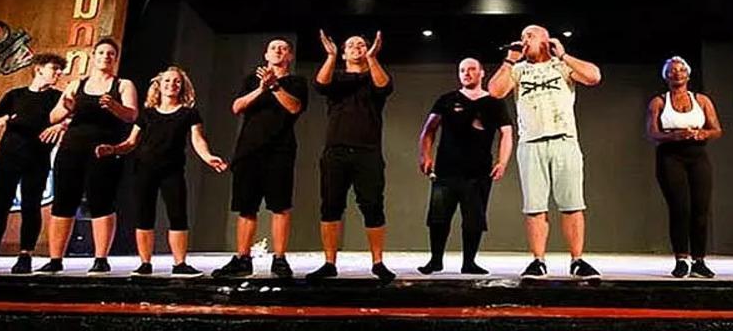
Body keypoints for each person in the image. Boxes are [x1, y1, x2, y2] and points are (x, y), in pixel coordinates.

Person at [488, 24, 603, 279]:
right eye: (522, 36)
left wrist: (563, 54)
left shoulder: (561, 66)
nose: (524, 40)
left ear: (545, 40)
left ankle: (577, 260)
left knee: (572, 204)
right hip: (531, 143)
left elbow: (594, 76)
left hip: (564, 140)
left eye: (530, 35)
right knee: (535, 206)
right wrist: (509, 60)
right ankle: (538, 261)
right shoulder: (518, 70)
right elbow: (495, 92)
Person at [95, 66, 227, 276]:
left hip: (172, 171)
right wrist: (113, 149)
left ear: (182, 87)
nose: (171, 85)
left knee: (178, 215)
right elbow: (131, 142)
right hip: (144, 169)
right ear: (159, 85)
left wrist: (208, 157)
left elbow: (198, 139)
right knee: (144, 216)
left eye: (176, 81)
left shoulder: (188, 113)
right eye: (167, 81)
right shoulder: (147, 114)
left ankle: (180, 264)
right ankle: (145, 264)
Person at [37, 37, 138, 275]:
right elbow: (53, 117)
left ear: (115, 59)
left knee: (101, 202)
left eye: (110, 54)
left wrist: (115, 107)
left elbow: (132, 116)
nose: (105, 57)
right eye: (101, 52)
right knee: (63, 202)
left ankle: (101, 259)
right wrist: (67, 107)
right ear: (94, 56)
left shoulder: (123, 85)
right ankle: (55, 259)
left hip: (102, 151)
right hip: (71, 149)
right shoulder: (77, 84)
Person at [213, 38, 308, 280]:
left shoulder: (296, 82)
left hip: (280, 151)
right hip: (249, 151)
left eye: (283, 48)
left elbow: (294, 107)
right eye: (273, 48)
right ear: (266, 55)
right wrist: (261, 88)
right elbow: (237, 107)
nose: (278, 51)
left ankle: (280, 259)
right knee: (246, 207)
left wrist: (275, 86)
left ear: (290, 56)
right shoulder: (251, 80)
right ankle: (243, 259)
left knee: (280, 206)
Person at [0, 54, 70, 275]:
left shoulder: (57, 97)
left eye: (60, 69)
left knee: (31, 207)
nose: (58, 73)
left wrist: (61, 125)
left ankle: (25, 256)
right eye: (54, 68)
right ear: (38, 69)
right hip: (8, 158)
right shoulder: (15, 95)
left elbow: (71, 116)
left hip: (37, 159)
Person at [306, 31, 396, 282]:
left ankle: (378, 262)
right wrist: (331, 56)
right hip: (336, 151)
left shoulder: (374, 76)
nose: (356, 47)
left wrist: (372, 58)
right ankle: (329, 263)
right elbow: (320, 85)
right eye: (351, 45)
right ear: (344, 53)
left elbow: (384, 87)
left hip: (368, 151)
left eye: (361, 44)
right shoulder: (336, 77)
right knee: (331, 205)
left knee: (373, 205)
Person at [417, 57, 514, 275]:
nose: (466, 73)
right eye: (462, 70)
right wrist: (425, 155)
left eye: (471, 69)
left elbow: (507, 133)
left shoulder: (494, 102)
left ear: (482, 73)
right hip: (446, 170)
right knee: (438, 217)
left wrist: (503, 161)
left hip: (478, 172)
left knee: (474, 219)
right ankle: (435, 260)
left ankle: (469, 262)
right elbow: (429, 129)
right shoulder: (447, 100)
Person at [645, 56, 721, 279]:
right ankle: (681, 259)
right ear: (666, 76)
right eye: (672, 70)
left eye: (681, 70)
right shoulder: (659, 102)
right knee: (680, 208)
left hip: (697, 155)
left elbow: (717, 129)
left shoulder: (702, 100)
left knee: (701, 208)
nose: (677, 73)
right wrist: (675, 135)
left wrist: (702, 133)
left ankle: (699, 261)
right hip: (670, 156)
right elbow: (652, 133)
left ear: (688, 75)